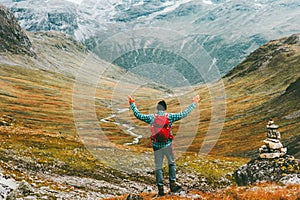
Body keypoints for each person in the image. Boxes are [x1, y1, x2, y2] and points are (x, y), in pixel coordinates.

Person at [128, 95, 200, 196]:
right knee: (171, 163)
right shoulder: (169, 117)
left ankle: (160, 189)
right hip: (167, 145)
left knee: (158, 167)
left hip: (156, 146)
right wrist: (194, 103)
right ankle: (173, 184)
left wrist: (132, 103)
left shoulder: (151, 118)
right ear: (165, 108)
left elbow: (138, 115)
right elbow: (184, 113)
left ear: (157, 108)